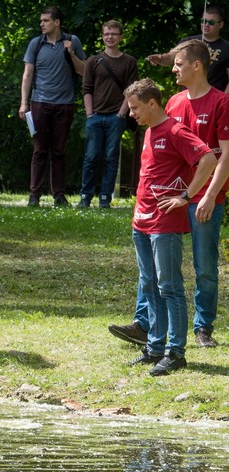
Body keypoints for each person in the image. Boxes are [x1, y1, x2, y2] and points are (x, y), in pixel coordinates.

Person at [110, 40, 229, 349]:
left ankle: (202, 328)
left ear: (197, 66)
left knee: (204, 266)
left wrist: (208, 193)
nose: (173, 68)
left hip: (205, 197)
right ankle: (143, 323)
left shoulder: (220, 102)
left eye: (178, 63)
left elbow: (224, 155)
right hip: (170, 200)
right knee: (153, 267)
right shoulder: (173, 102)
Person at [122, 78, 217, 376]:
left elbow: (208, 158)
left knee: (169, 287)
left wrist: (186, 196)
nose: (131, 114)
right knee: (149, 284)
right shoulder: (149, 131)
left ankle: (175, 353)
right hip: (142, 221)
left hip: (165, 224)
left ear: (152, 103)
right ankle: (154, 347)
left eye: (135, 108)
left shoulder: (175, 130)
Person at [19, 6, 86, 207]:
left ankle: (59, 195)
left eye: (46, 20)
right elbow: (27, 74)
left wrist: (71, 53)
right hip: (39, 103)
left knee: (59, 151)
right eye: (41, 21)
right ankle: (34, 196)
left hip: (64, 104)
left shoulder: (72, 41)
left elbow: (84, 71)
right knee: (39, 150)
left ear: (57, 22)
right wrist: (23, 104)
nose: (42, 24)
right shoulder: (35, 44)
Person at [77, 20, 138, 209]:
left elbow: (131, 90)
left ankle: (105, 197)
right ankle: (85, 197)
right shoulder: (93, 61)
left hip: (116, 117)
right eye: (106, 34)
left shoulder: (129, 61)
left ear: (120, 37)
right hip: (94, 116)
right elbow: (86, 89)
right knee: (91, 157)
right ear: (102, 37)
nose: (109, 37)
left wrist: (121, 114)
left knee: (111, 157)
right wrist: (89, 114)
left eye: (113, 33)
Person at [147, 5, 229, 93]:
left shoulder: (227, 47)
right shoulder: (189, 42)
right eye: (203, 21)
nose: (206, 25)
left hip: (213, 100)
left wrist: (223, 99)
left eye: (211, 22)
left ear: (220, 24)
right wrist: (160, 58)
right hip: (188, 98)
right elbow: (171, 57)